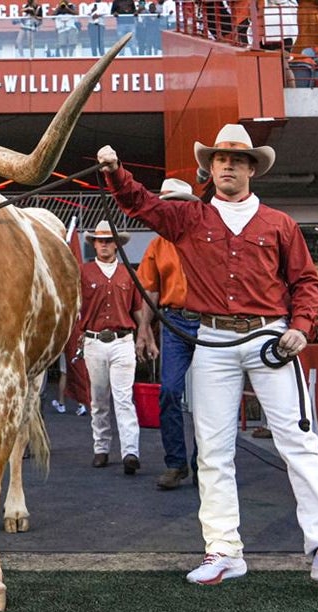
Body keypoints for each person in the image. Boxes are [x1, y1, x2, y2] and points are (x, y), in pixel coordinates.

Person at [98, 124, 318, 587]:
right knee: (215, 452)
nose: (227, 165)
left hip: (270, 339)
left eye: (237, 159)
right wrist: (117, 173)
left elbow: (304, 282)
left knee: (298, 443)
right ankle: (223, 548)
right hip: (214, 341)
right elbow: (142, 203)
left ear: (251, 168)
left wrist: (301, 326)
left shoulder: (279, 224)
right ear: (210, 167)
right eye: (220, 158)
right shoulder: (190, 218)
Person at [135, 178, 200, 491]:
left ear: (188, 206)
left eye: (178, 202)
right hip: (174, 322)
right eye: (167, 203)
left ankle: (204, 463)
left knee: (207, 400)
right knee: (170, 392)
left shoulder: (206, 238)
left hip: (207, 323)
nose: (172, 209)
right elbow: (151, 290)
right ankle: (176, 463)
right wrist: (144, 329)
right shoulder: (157, 244)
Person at [78, 220, 143, 474]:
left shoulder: (128, 272)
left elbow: (137, 308)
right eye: (100, 240)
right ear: (94, 244)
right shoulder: (83, 273)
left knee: (124, 398)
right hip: (94, 341)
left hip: (122, 340)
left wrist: (143, 336)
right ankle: (101, 448)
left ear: (116, 244)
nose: (104, 244)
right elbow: (76, 308)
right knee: (99, 399)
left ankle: (130, 451)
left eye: (108, 240)